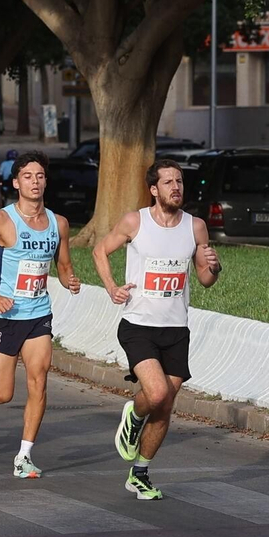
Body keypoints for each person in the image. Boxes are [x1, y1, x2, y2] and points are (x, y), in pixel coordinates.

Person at [91, 160, 222, 500]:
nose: (176, 187)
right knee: (157, 393)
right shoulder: (136, 221)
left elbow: (205, 280)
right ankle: (134, 415)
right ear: (154, 189)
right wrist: (111, 287)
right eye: (168, 182)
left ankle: (140, 473)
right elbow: (99, 250)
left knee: (164, 407)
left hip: (176, 328)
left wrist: (215, 267)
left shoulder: (196, 227)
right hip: (138, 325)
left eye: (179, 181)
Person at [0, 151, 80, 478]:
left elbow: (64, 265)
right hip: (6, 315)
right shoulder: (1, 220)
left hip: (39, 315)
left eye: (40, 176)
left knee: (39, 381)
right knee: (1, 395)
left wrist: (71, 281)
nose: (35, 182)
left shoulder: (59, 224)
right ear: (16, 182)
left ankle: (24, 456)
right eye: (27, 176)